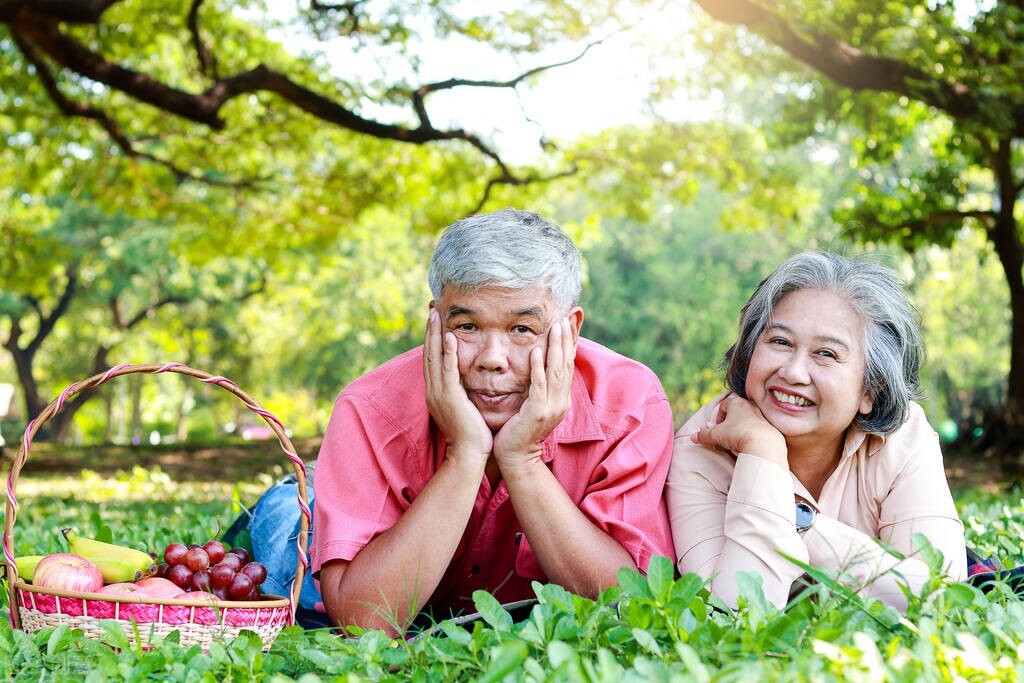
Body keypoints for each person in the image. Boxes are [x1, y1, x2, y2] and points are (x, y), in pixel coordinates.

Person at [311, 208, 676, 634]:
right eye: (467, 326)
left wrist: (521, 458)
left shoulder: (630, 404)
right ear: (435, 321)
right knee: (286, 530)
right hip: (314, 521)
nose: (492, 360)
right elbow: (365, 624)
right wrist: (466, 454)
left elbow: (632, 609)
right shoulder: (370, 408)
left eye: (522, 329)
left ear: (570, 331)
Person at [666, 251, 966, 612]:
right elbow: (734, 611)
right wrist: (762, 451)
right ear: (749, 353)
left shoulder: (902, 437)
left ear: (871, 389)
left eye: (825, 353)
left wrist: (799, 522)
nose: (793, 372)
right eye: (780, 342)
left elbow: (941, 597)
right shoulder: (701, 446)